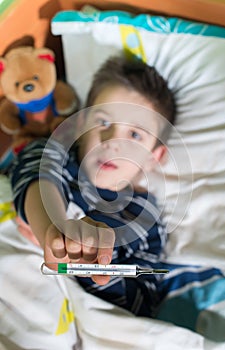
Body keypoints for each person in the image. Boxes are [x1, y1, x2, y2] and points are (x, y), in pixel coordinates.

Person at [10, 54, 176, 318]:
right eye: (103, 122)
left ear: (155, 157)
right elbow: (39, 176)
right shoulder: (54, 154)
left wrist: (88, 268)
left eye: (135, 135)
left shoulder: (144, 216)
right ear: (79, 124)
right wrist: (51, 230)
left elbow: (140, 300)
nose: (112, 141)